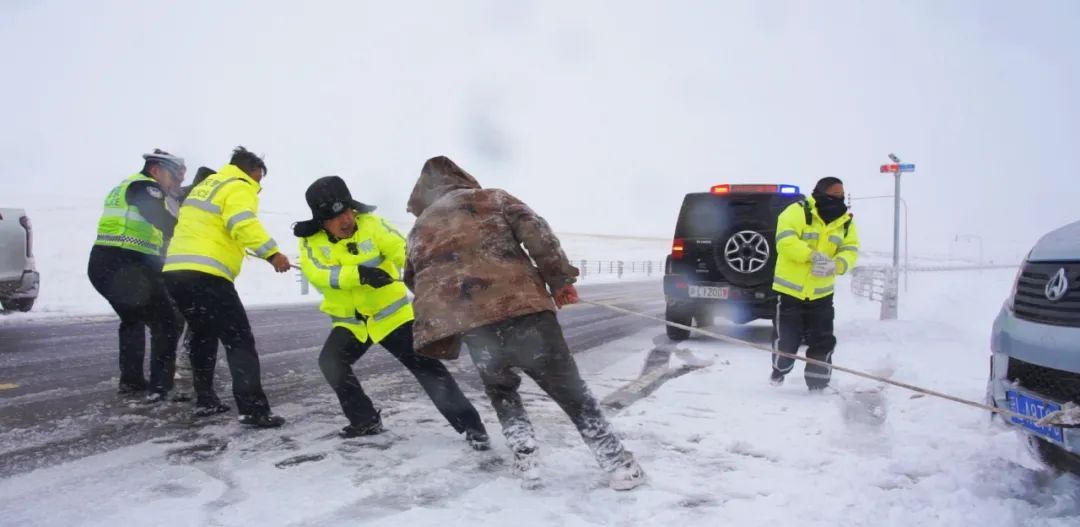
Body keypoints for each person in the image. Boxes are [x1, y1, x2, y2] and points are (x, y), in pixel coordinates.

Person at [403, 156, 646, 491]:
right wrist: (559, 280)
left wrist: (459, 304)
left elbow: (415, 279)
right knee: (570, 390)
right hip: (526, 314)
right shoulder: (493, 199)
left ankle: (525, 456)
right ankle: (616, 464)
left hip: (478, 328)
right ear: (461, 177)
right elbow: (538, 236)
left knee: (501, 390)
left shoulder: (420, 229)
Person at [293, 176, 490, 446]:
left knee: (427, 368)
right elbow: (318, 273)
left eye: (347, 211)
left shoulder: (373, 226)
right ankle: (365, 420)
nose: (345, 220)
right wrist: (359, 273)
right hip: (353, 323)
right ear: (321, 221)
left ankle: (472, 426)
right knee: (331, 363)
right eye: (335, 217)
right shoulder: (311, 243)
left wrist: (428, 274)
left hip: (390, 316)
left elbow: (405, 252)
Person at [163, 147, 292, 428]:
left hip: (176, 272)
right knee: (239, 340)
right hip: (206, 273)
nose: (258, 187)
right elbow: (241, 222)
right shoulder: (238, 185)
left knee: (202, 335)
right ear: (249, 171)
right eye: (259, 178)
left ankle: (206, 399)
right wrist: (272, 253)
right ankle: (253, 410)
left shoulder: (205, 187)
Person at [88, 149, 186, 401]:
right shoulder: (146, 187)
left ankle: (131, 381)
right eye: (172, 176)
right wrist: (187, 231)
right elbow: (159, 219)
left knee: (132, 319)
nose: (173, 183)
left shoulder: (124, 186)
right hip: (126, 265)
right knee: (167, 321)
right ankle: (161, 387)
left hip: (103, 263)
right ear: (156, 170)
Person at [769, 176, 860, 390]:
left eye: (841, 196)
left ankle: (818, 384)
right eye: (833, 195)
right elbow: (785, 242)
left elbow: (851, 249)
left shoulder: (845, 222)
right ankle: (779, 372)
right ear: (820, 192)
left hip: (821, 294)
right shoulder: (797, 212)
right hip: (790, 292)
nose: (838, 199)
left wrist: (837, 265)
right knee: (787, 342)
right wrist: (811, 255)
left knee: (822, 341)